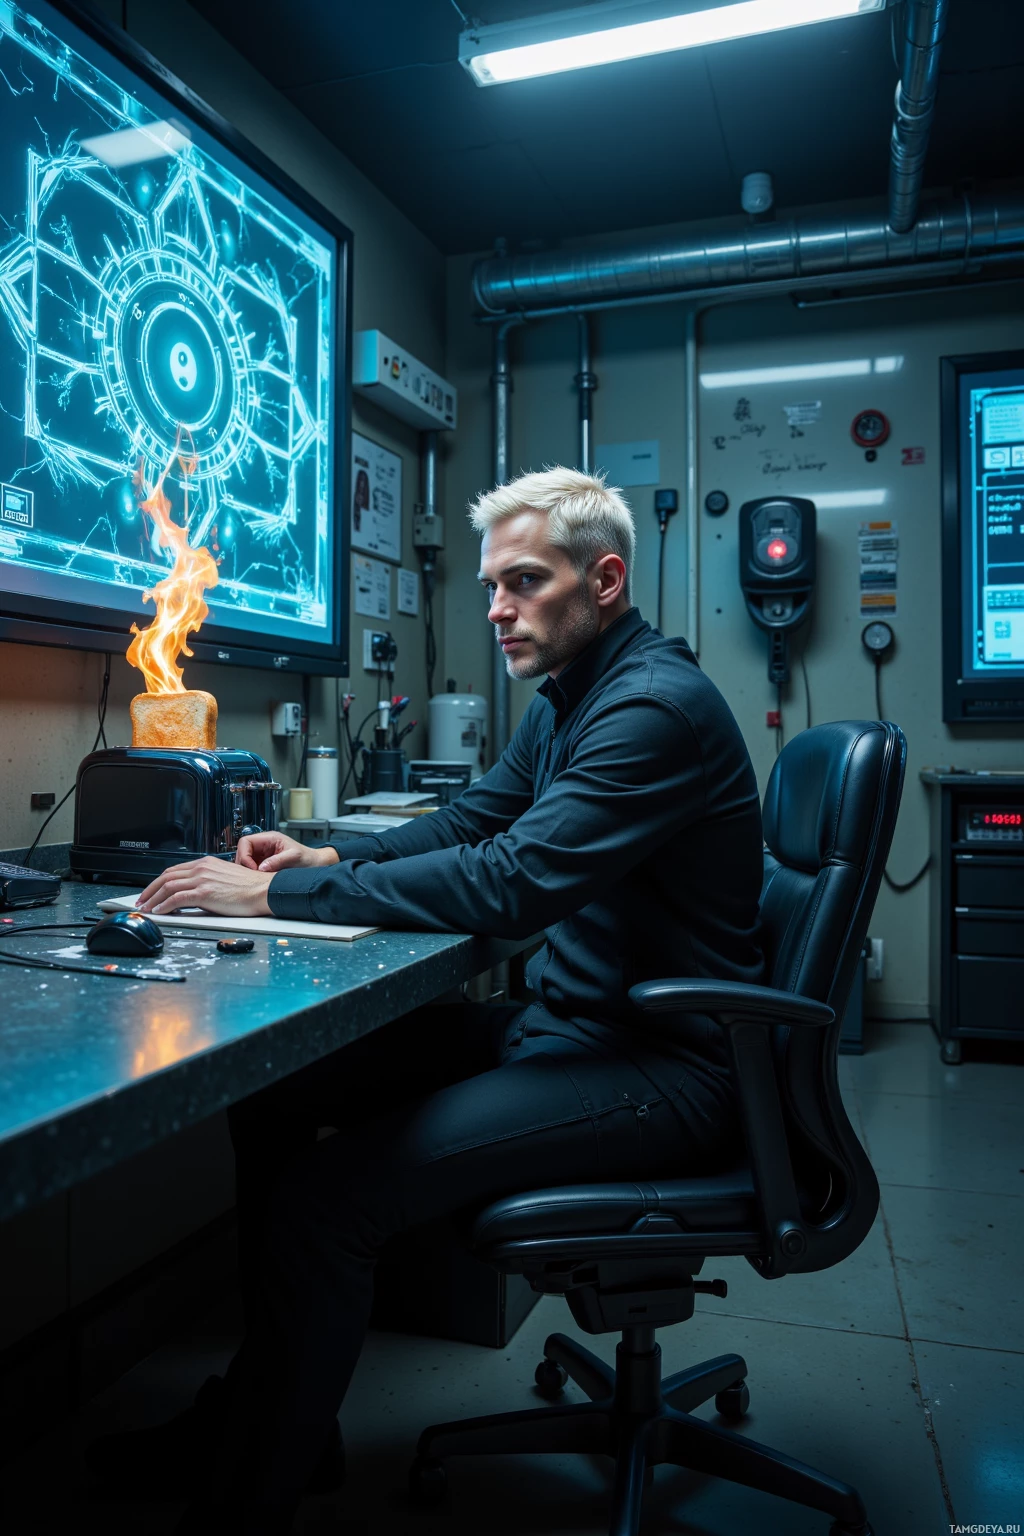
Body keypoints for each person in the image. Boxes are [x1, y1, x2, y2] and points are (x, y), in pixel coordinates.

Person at [91, 469, 765, 1533]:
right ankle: (278, 1428)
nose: (496, 607)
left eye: (524, 582)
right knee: (277, 1086)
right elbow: (470, 824)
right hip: (567, 1029)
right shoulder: (575, 697)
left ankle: (247, 1492)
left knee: (327, 1206)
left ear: (605, 579)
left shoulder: (651, 711)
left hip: (658, 1069)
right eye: (493, 584)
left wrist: (276, 891)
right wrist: (324, 851)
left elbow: (511, 883)